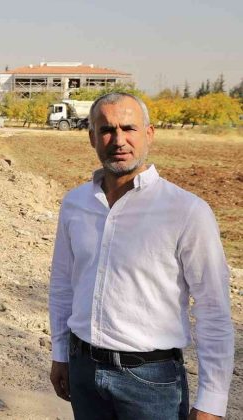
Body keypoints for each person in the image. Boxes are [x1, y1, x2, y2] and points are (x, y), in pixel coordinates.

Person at [48, 93, 233, 419]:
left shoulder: (187, 211)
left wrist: (211, 402)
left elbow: (213, 309)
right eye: (106, 129)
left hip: (151, 382)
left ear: (149, 133)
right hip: (83, 371)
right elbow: (63, 284)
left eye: (129, 128)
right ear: (92, 137)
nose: (118, 140)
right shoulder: (75, 204)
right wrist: (60, 353)